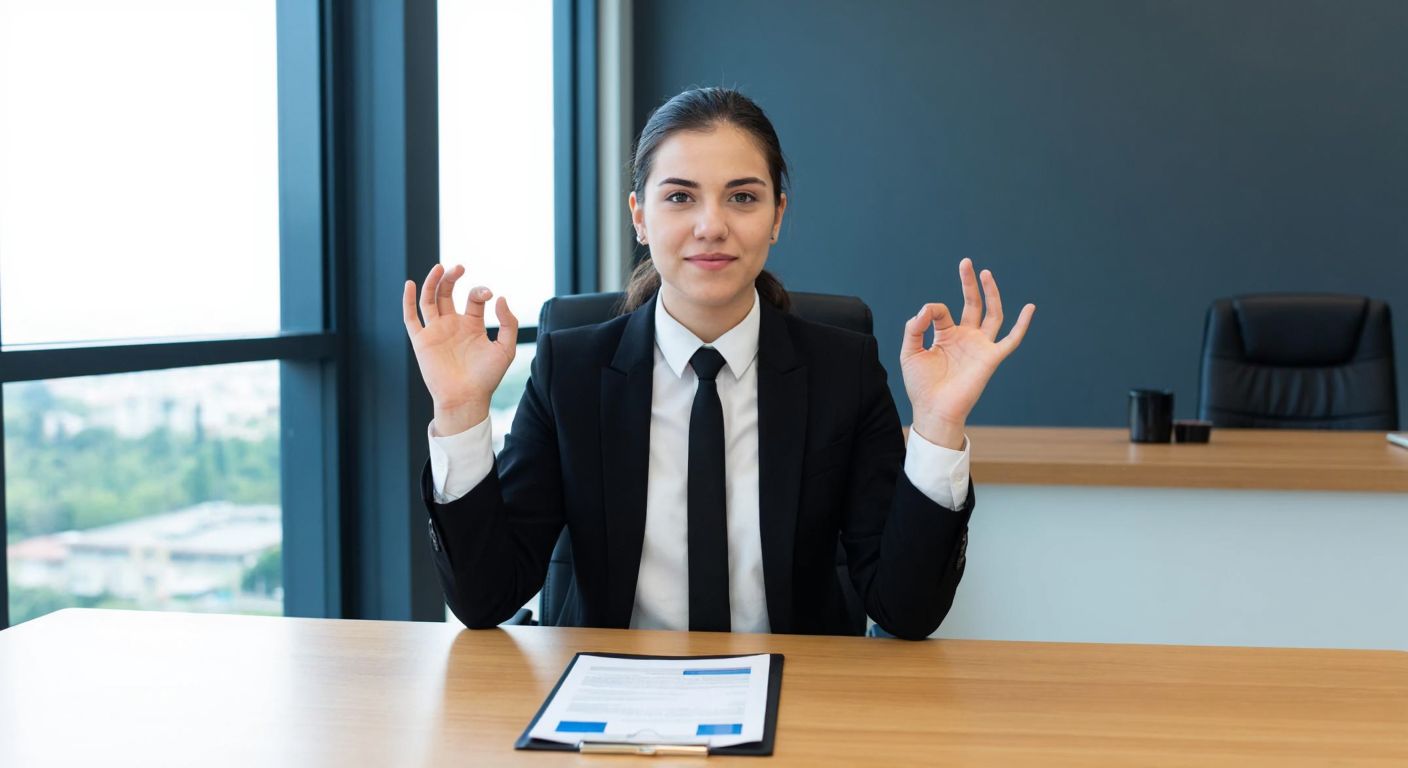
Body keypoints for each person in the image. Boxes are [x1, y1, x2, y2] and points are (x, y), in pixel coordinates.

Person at [403, 88, 1034, 640]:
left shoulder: (843, 370)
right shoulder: (570, 371)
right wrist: (459, 414)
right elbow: (485, 599)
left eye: (742, 197)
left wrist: (938, 426)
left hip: (797, 694)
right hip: (609, 697)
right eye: (680, 197)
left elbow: (906, 610)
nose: (711, 226)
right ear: (640, 218)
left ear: (777, 216)